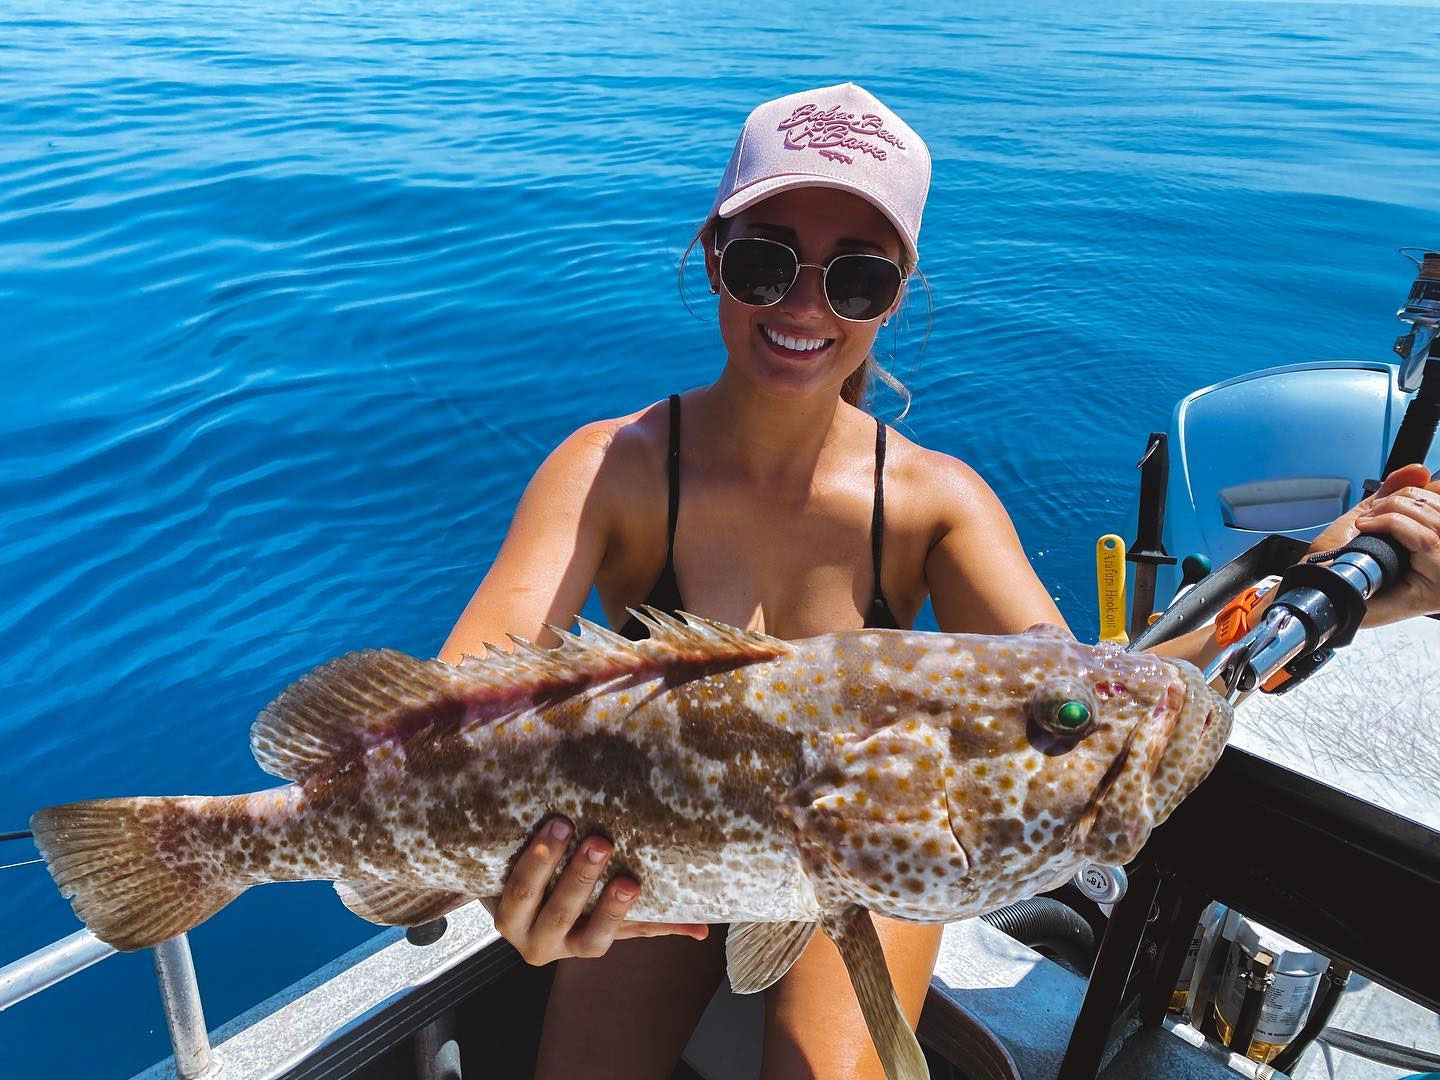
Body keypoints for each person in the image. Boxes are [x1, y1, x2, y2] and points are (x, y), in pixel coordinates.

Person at [438, 83, 1440, 1079]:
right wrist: (500, 885)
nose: (802, 304)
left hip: (860, 855)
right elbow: (448, 718)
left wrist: (1320, 590)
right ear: (712, 258)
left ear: (897, 295)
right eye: (765, 260)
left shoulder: (933, 501)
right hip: (652, 842)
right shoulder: (608, 469)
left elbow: (1090, 696)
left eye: (856, 280)